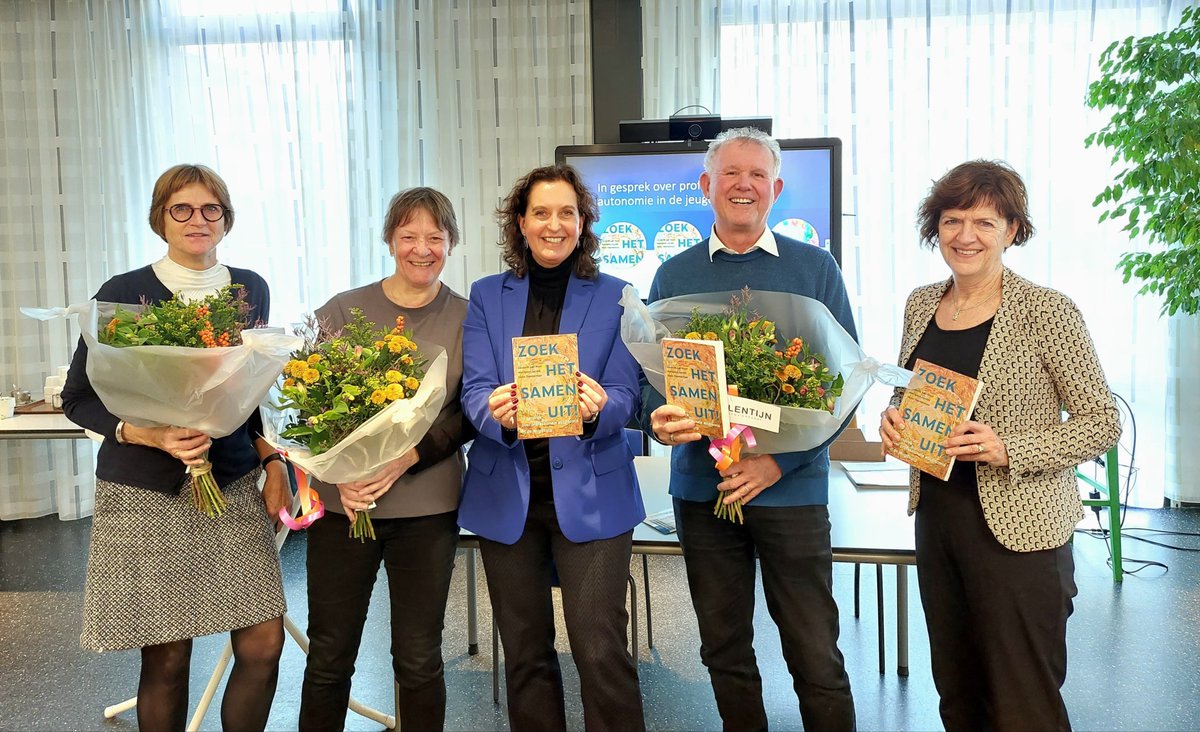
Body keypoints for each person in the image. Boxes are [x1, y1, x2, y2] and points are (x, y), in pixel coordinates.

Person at [878, 160, 1120, 731]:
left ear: (1013, 229)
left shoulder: (1047, 310)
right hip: (938, 521)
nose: (966, 235)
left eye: (984, 222)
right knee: (957, 693)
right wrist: (896, 421)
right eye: (953, 220)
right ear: (934, 227)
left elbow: (1101, 422)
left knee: (1022, 700)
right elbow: (921, 392)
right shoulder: (920, 303)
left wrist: (1008, 448)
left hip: (1022, 533)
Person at [643, 127, 857, 731]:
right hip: (701, 493)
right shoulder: (673, 274)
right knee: (724, 649)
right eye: (730, 174)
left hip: (790, 491)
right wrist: (659, 424)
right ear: (707, 186)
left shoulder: (815, 268)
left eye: (757, 175)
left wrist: (776, 464)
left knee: (814, 652)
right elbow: (651, 383)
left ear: (776, 188)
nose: (744, 185)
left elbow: (843, 386)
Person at [61, 164, 287, 732]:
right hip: (145, 491)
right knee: (167, 654)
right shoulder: (122, 293)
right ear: (161, 217)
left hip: (230, 486)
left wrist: (274, 459)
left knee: (263, 641)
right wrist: (149, 433)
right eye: (181, 209)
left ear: (226, 218)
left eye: (211, 209)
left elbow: (249, 391)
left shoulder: (249, 289)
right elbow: (80, 397)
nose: (197, 220)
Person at [458, 164, 646, 731]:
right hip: (507, 499)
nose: (554, 224)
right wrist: (494, 415)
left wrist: (599, 409)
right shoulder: (487, 296)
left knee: (601, 652)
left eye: (567, 212)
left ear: (583, 221)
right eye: (541, 212)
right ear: (521, 222)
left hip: (592, 495)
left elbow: (626, 394)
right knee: (524, 655)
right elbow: (473, 389)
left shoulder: (616, 296)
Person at [298, 187, 472, 731]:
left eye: (435, 238)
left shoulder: (470, 317)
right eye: (408, 237)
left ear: (450, 244)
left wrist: (406, 459)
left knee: (418, 658)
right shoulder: (343, 311)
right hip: (342, 509)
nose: (422, 249)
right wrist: (340, 477)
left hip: (427, 508)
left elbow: (468, 414)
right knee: (330, 655)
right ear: (389, 240)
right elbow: (304, 409)